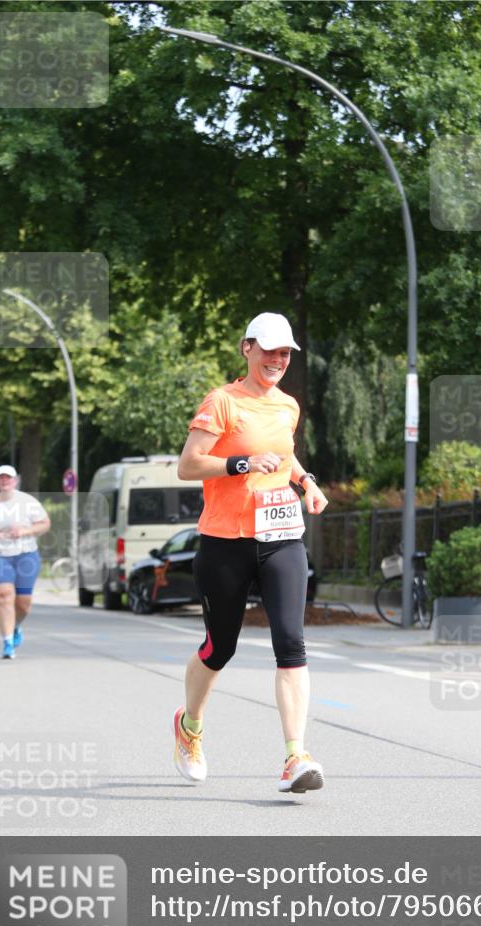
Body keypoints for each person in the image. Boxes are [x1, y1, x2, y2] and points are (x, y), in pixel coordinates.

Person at [175, 313, 329, 794]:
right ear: (247, 349)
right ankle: (190, 726)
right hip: (225, 542)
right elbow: (188, 465)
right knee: (220, 647)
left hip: (281, 537)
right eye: (269, 351)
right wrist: (241, 463)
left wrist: (305, 481)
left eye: (285, 353)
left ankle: (295, 757)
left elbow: (283, 454)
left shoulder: (288, 406)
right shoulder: (222, 402)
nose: (278, 360)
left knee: (291, 643)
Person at [0, 465, 50, 659]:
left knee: (23, 604)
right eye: (1, 478)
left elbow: (44, 524)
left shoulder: (27, 502)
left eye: (9, 478)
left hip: (25, 555)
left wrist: (24, 531)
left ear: (15, 481)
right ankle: (7, 643)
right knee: (4, 595)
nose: (5, 481)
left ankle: (15, 627)